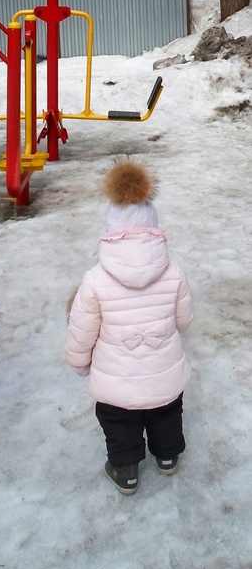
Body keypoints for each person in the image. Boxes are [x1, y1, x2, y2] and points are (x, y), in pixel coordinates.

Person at [65, 159, 193, 494]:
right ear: (154, 230)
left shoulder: (94, 280)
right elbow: (184, 320)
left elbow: (82, 330)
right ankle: (168, 456)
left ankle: (126, 470)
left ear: (110, 234)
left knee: (119, 420)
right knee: (166, 412)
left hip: (116, 379)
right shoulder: (174, 272)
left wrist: (79, 362)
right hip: (164, 372)